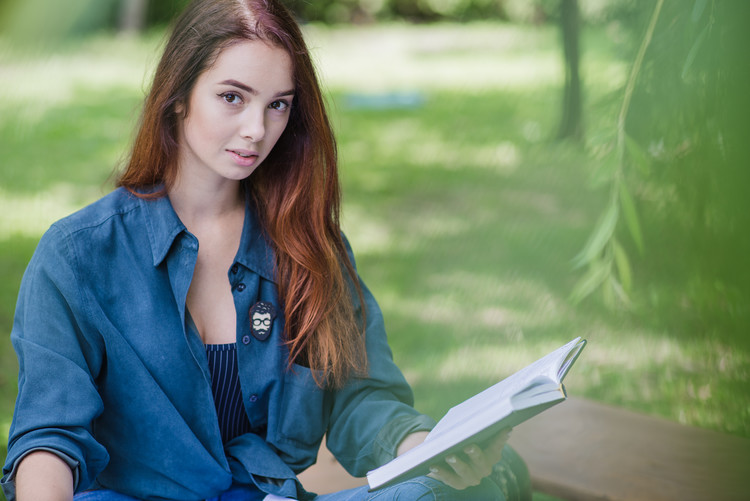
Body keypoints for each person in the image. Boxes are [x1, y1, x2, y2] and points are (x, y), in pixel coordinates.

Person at [1, 1, 531, 500]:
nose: (257, 130)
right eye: (232, 97)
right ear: (178, 96)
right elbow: (48, 436)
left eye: (277, 106)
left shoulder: (309, 246)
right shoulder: (76, 256)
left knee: (471, 487)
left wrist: (427, 451)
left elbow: (359, 399)